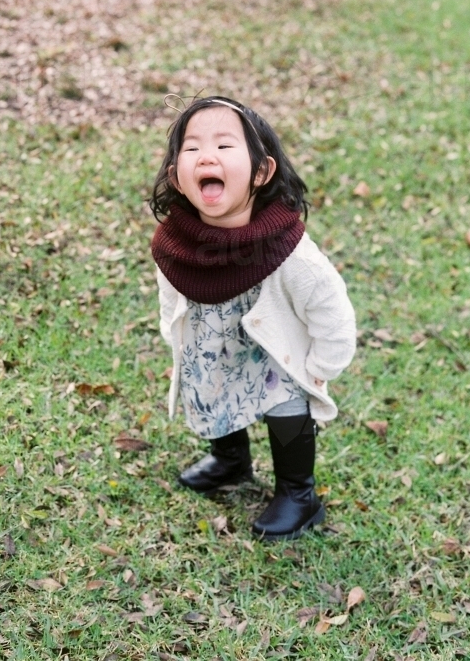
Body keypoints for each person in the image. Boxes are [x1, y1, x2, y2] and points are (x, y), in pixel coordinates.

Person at [149, 95, 356, 541]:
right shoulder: (174, 243)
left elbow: (331, 308)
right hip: (212, 345)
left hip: (273, 357)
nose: (207, 155)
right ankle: (231, 461)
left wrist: (321, 368)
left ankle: (299, 495)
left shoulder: (288, 251)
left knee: (286, 412)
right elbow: (171, 289)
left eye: (225, 147)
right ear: (177, 178)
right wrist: (177, 340)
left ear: (261, 172)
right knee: (212, 392)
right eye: (192, 148)